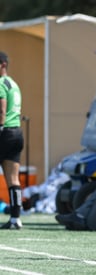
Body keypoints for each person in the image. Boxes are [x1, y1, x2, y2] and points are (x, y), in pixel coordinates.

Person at [0, 51, 24, 229]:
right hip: (16, 132)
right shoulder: (14, 84)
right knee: (13, 179)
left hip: (4, 132)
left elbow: (1, 111)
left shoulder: (1, 83)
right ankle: (16, 219)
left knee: (12, 178)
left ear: (3, 65)